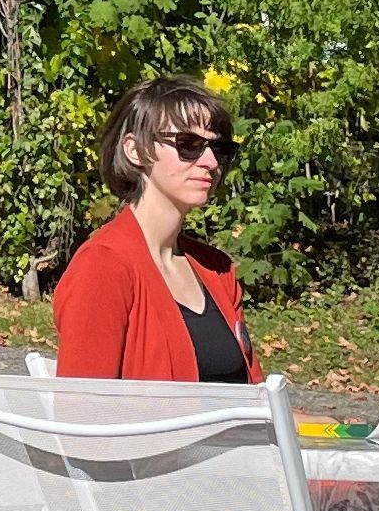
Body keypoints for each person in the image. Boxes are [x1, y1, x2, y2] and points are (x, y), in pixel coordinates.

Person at [52, 77, 262, 382]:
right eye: (188, 144)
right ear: (135, 150)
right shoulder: (104, 266)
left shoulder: (217, 269)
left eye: (219, 148)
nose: (210, 161)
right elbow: (82, 406)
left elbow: (257, 396)